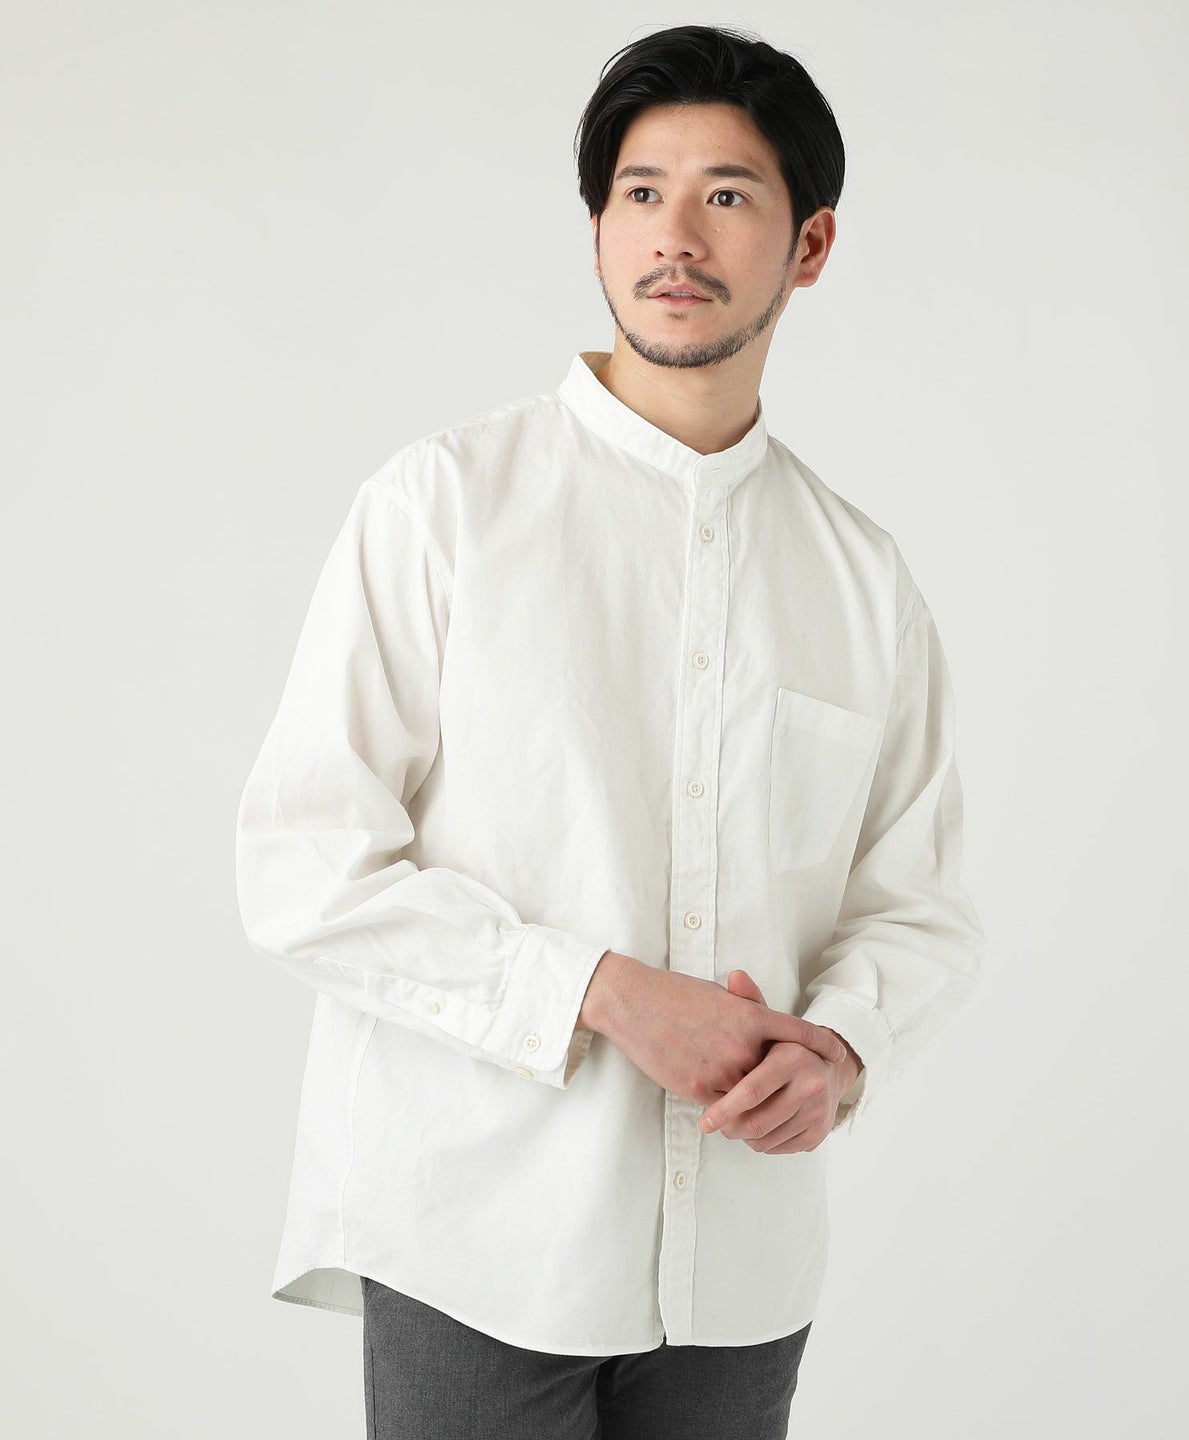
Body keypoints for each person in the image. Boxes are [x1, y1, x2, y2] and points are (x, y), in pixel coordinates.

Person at [234, 22, 985, 1440]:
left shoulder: (860, 578)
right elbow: (304, 865)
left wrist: (841, 1048)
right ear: (596, 229)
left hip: (740, 1270)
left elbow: (917, 903)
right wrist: (602, 990)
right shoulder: (444, 507)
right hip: (474, 1233)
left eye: (727, 194)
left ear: (811, 245)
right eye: (641, 193)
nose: (674, 236)